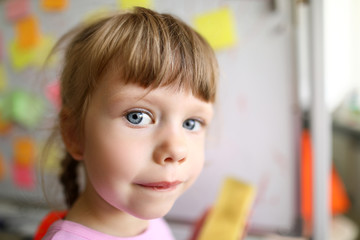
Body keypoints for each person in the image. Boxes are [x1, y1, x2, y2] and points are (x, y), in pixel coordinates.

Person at [40, 6, 218, 240]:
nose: (177, 149)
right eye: (138, 116)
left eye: (191, 123)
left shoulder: (146, 218)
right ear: (75, 133)